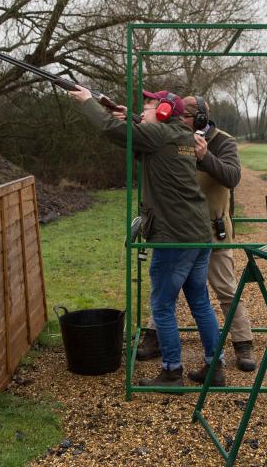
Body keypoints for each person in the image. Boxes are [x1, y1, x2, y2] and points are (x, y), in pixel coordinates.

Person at [67, 86, 226, 387]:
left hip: (175, 237)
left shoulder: (160, 136)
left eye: (149, 107)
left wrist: (87, 101)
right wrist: (132, 117)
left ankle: (171, 371)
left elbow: (108, 129)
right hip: (199, 234)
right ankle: (213, 366)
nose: (143, 110)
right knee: (200, 302)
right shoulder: (181, 136)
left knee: (162, 305)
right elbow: (144, 131)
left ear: (164, 113)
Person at [137, 95, 257, 373]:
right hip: (179, 229)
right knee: (166, 290)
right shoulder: (171, 137)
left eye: (187, 117)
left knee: (225, 288)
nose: (180, 121)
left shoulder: (222, 141)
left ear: (201, 119)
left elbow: (232, 176)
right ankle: (154, 337)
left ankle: (243, 343)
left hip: (213, 230)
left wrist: (205, 156)